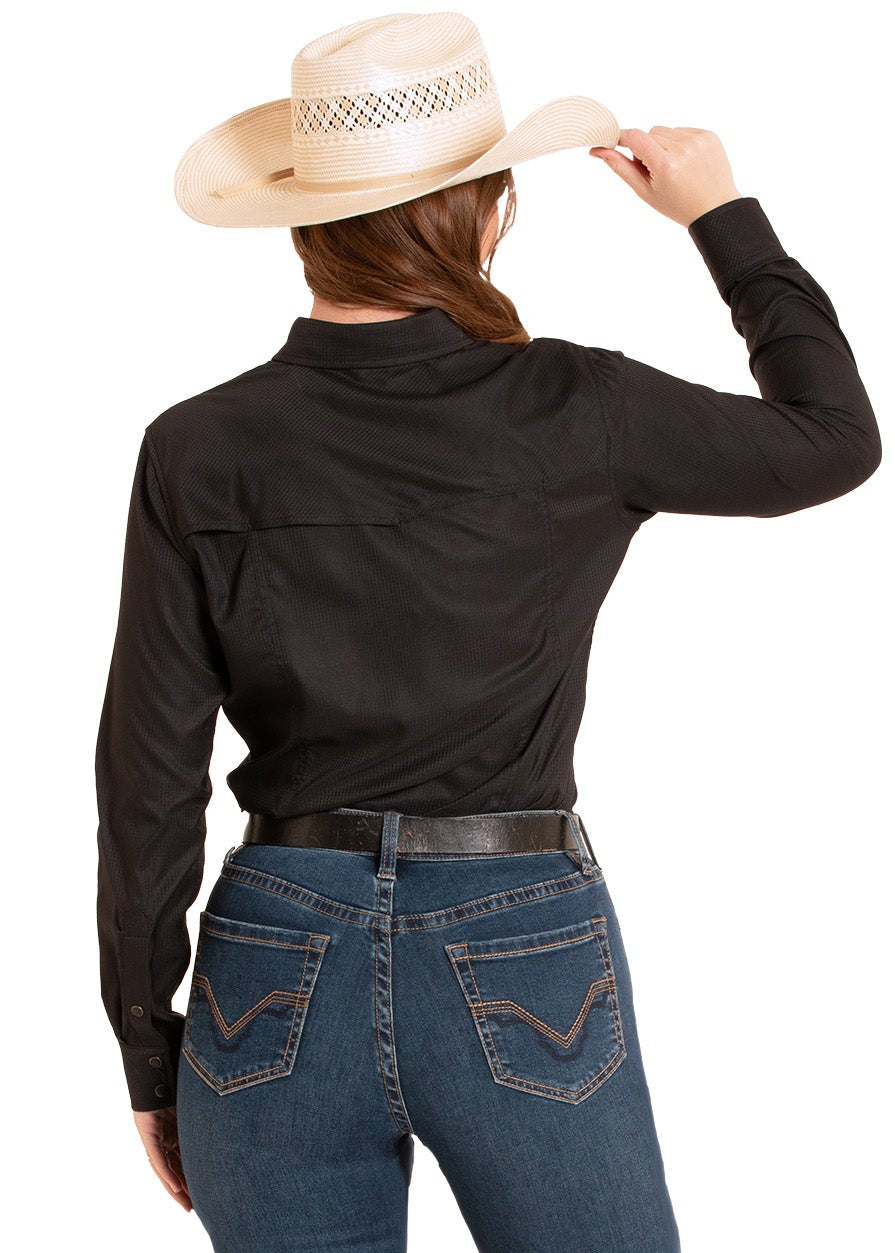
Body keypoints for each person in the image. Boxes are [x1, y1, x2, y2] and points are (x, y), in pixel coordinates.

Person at [94, 13, 882, 1253]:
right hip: (515, 924)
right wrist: (722, 216)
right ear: (487, 210)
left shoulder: (197, 446)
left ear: (304, 219)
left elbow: (145, 776)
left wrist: (148, 1041)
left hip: (271, 945)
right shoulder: (575, 407)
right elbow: (834, 439)